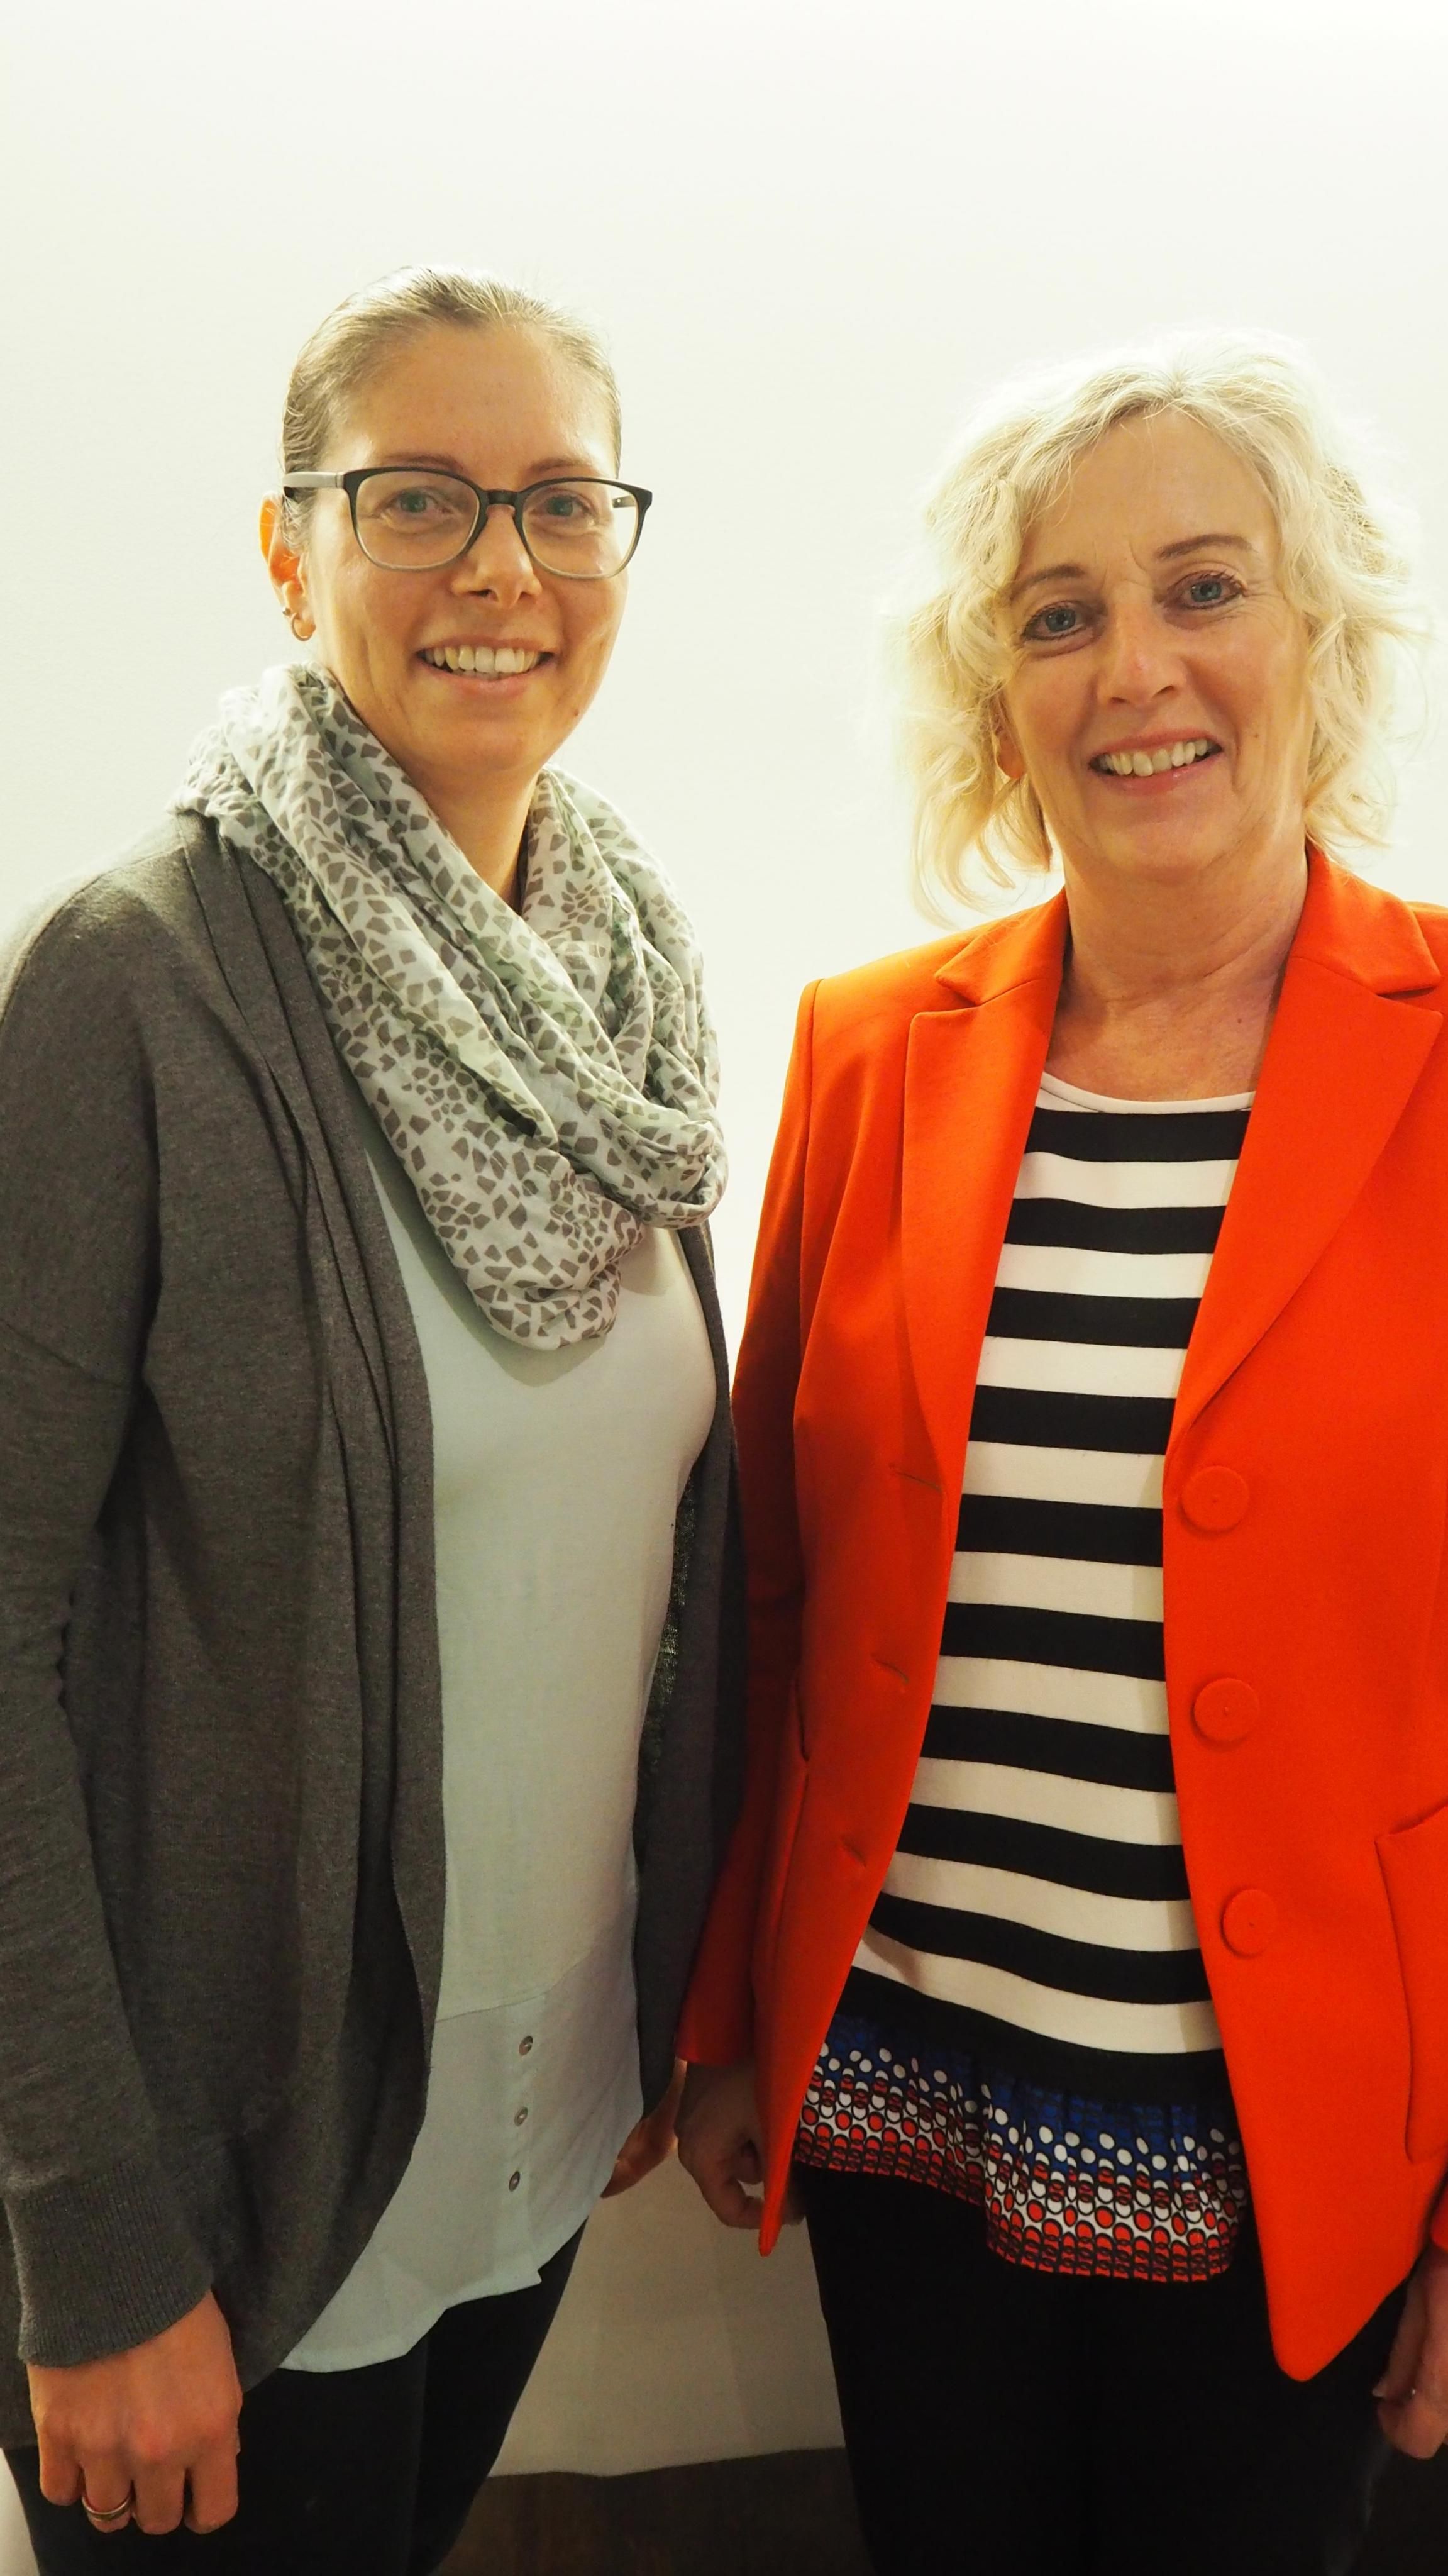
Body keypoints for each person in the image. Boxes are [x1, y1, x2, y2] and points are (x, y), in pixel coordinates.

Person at [676, 331, 1447, 2575]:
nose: (1137, 669)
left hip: (1300, 2139)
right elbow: (772, 1588)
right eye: (1058, 614)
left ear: (1320, 633)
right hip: (903, 2094)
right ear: (992, 693)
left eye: (1205, 588)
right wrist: (728, 2018)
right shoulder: (866, 1054)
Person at [0, 265, 742, 2574]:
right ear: (288, 546)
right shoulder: (136, 979)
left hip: (542, 2113)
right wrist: (87, 2241)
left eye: (559, 503)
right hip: (233, 2188)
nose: (500, 567)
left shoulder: (625, 985)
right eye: (416, 497)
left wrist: (657, 1990)